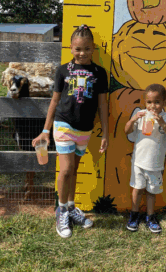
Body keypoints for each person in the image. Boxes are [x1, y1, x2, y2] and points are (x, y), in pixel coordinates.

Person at [33, 26, 109, 238]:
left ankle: (71, 207)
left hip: (85, 130)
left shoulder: (99, 73)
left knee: (74, 170)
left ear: (93, 48)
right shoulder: (62, 71)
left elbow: (103, 105)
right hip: (63, 125)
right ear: (70, 48)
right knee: (66, 170)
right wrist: (45, 130)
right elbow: (54, 101)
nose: (82, 53)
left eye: (86, 49)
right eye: (78, 49)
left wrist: (105, 133)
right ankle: (61, 211)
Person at [124, 83, 166, 234]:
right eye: (149, 102)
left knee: (151, 192)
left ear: (164, 103)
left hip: (156, 164)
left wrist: (163, 124)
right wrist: (133, 119)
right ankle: (134, 215)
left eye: (157, 102)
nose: (152, 106)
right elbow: (126, 130)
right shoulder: (141, 115)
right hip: (138, 161)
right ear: (145, 102)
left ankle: (150, 217)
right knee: (137, 189)